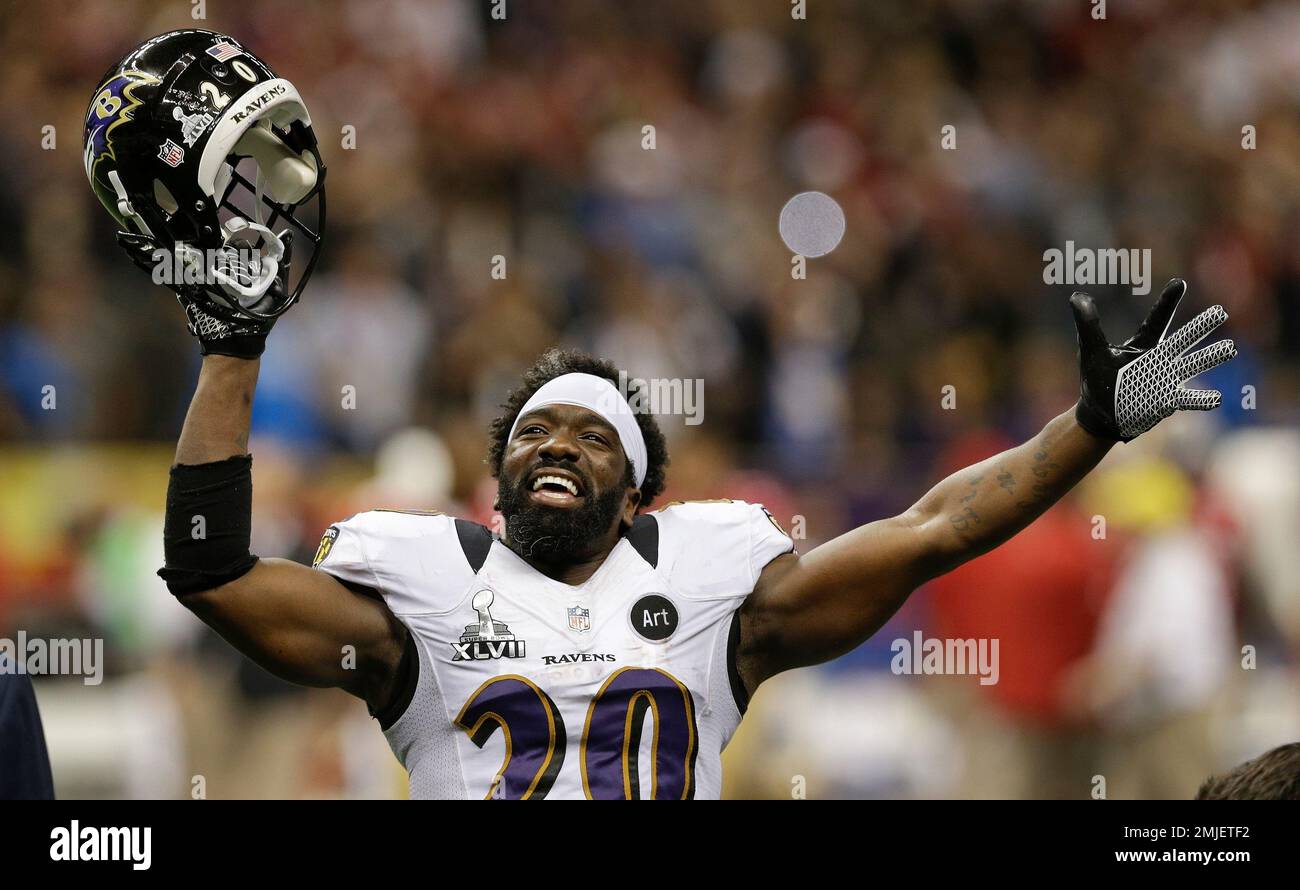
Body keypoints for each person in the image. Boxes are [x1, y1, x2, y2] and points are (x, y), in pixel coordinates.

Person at [86, 31, 1240, 799]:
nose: (554, 443)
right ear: (494, 483)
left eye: (590, 436)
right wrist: (232, 345)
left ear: (639, 494)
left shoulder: (716, 588)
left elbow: (938, 525)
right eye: (533, 431)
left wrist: (1087, 425)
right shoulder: (424, 592)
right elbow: (209, 568)